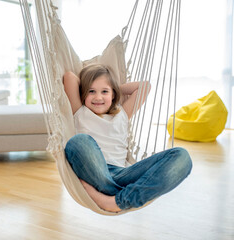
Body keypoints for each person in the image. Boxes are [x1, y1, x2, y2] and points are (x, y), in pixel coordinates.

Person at [63, 64, 192, 213]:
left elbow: (145, 86)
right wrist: (101, 87)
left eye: (104, 91)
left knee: (182, 156)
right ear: (83, 94)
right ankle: (118, 195)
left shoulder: (122, 114)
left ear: (113, 95)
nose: (98, 97)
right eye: (91, 91)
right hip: (94, 170)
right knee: (78, 142)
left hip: (122, 174)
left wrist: (114, 88)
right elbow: (69, 77)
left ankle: (112, 200)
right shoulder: (80, 111)